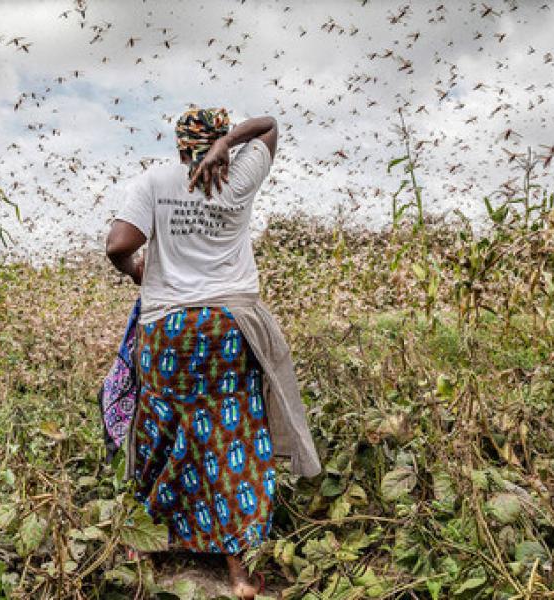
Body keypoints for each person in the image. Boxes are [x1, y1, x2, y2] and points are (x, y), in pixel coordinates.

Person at [105, 107, 321, 599]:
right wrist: (230, 145)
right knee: (231, 434)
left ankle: (147, 543)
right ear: (219, 141)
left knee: (160, 426)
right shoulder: (238, 175)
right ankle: (240, 574)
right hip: (228, 327)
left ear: (180, 145)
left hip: (169, 331)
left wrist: (140, 272)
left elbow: (119, 244)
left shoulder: (154, 182)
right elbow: (268, 125)